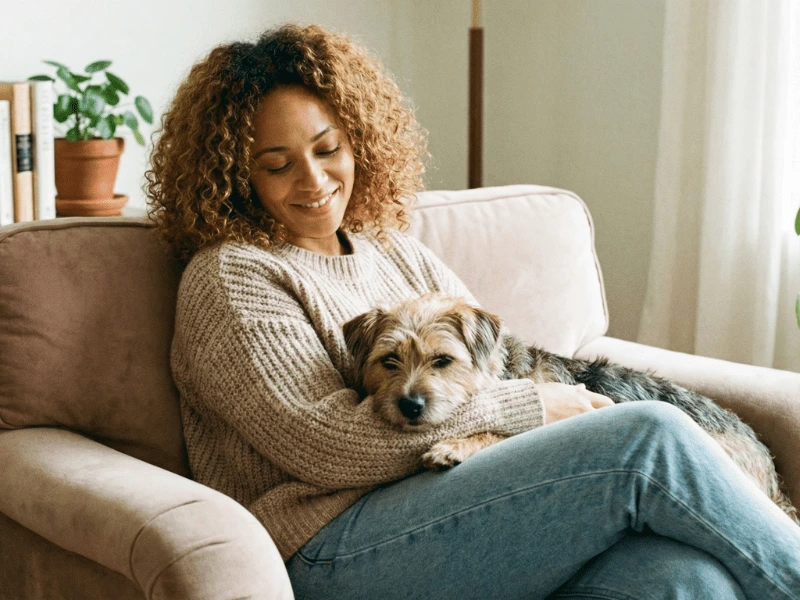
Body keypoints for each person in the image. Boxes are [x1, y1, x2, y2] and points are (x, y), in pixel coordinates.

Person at [146, 23, 800, 600]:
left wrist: (521, 406)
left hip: (443, 502)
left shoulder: (392, 249)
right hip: (327, 547)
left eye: (327, 148)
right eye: (277, 165)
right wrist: (535, 406)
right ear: (236, 175)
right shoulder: (234, 275)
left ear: (358, 140)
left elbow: (488, 369)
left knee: (685, 579)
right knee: (646, 438)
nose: (314, 181)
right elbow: (325, 446)